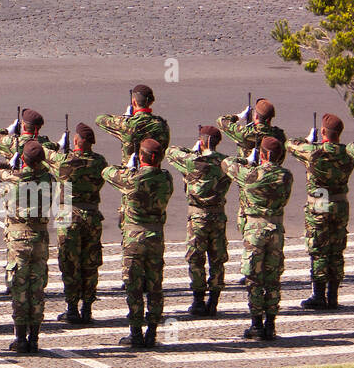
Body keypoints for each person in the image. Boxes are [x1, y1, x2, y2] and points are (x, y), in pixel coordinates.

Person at [0, 139, 54, 353]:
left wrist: (10, 166)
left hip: (19, 239)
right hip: (40, 238)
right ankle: (35, 338)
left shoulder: (14, 180)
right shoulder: (50, 179)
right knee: (37, 287)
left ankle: (21, 338)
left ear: (24, 159)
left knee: (20, 288)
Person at [102, 138, 172, 349]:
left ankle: (135, 332)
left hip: (134, 237)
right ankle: (152, 331)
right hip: (156, 237)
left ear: (141, 157)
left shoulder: (133, 179)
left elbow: (107, 172)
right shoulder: (166, 178)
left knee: (133, 286)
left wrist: (129, 167)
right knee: (154, 286)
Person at [222, 136, 293, 340]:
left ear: (262, 154)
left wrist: (247, 160)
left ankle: (256, 324)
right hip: (276, 229)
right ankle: (270, 324)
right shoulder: (286, 176)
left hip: (255, 230)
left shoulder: (252, 175)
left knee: (254, 277)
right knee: (272, 278)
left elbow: (226, 164)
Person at [286, 113, 354, 311]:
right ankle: (333, 296)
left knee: (318, 248)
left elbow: (290, 145)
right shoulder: (347, 154)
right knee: (336, 249)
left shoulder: (315, 152)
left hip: (320, 200)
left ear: (323, 132)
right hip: (340, 203)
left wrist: (309, 139)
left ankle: (318, 295)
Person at [44, 122, 107, 326]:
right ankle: (87, 308)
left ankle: (71, 308)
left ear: (76, 141)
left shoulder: (64, 161)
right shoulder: (100, 161)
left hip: (67, 213)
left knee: (69, 262)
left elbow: (43, 153)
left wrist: (58, 145)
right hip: (91, 214)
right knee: (90, 263)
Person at [166, 125, 232, 316]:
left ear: (202, 141)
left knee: (196, 258)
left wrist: (194, 150)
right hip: (218, 215)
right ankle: (214, 300)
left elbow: (171, 152)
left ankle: (198, 300)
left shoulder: (191, 161)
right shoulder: (225, 163)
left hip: (197, 216)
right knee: (217, 259)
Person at [95, 83, 170, 164]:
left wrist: (126, 117)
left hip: (130, 173)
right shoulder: (162, 125)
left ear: (134, 102)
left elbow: (99, 119)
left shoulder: (127, 125)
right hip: (154, 172)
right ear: (150, 103)